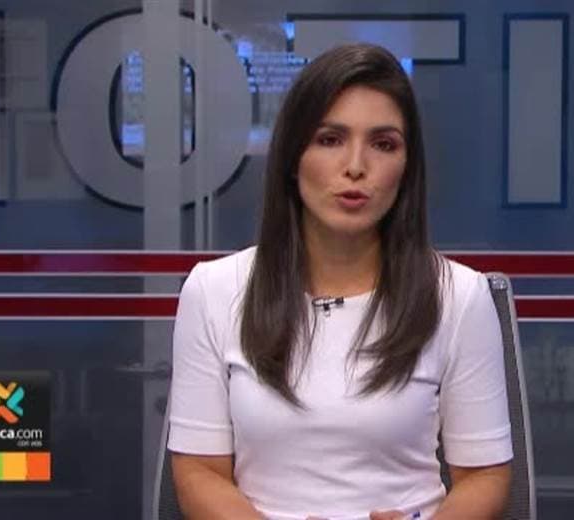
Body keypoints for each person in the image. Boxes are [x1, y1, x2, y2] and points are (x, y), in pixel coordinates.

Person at [167, 43, 512, 520]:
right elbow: (198, 472)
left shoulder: (459, 297)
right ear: (293, 157)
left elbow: (485, 477)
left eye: (383, 144)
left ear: (406, 167)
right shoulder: (213, 291)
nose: (355, 166)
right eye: (330, 139)